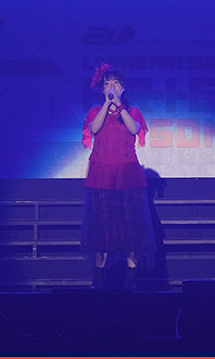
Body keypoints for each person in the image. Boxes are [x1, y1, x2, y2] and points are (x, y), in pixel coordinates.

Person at [81, 63, 156, 289]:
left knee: (132, 226)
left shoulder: (132, 112)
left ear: (123, 88)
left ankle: (131, 279)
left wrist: (119, 106)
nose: (111, 86)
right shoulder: (95, 111)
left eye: (115, 83)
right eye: (107, 83)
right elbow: (94, 129)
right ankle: (98, 278)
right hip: (102, 173)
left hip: (127, 174)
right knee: (101, 226)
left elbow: (134, 129)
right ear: (102, 88)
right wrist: (107, 104)